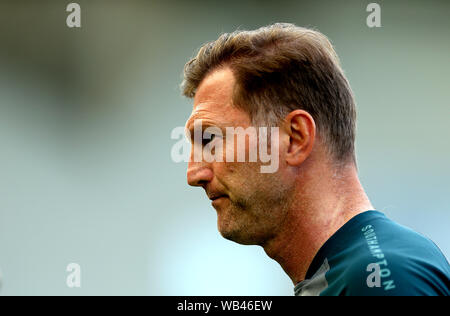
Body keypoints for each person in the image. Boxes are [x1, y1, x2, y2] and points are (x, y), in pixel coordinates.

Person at [180, 23, 450, 296]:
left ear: (295, 138)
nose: (194, 174)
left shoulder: (380, 277)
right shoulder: (352, 274)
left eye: (210, 140)